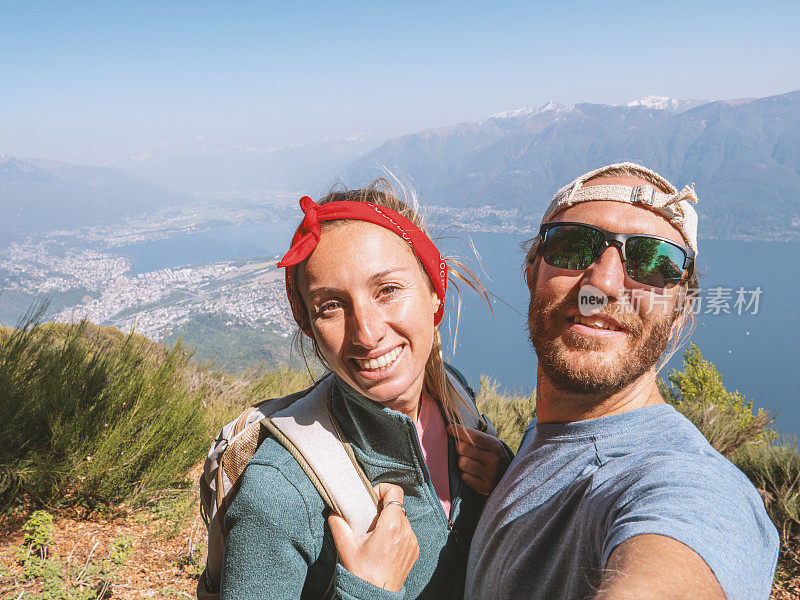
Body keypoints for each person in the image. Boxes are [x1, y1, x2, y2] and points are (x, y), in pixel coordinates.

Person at [466, 163, 779, 600]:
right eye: (573, 246)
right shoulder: (553, 432)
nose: (603, 285)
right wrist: (509, 475)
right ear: (531, 272)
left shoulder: (687, 484)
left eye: (653, 262)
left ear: (679, 314)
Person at [219, 181, 512, 600]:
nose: (367, 333)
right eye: (331, 306)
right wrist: (369, 591)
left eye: (388, 290)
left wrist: (506, 479)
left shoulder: (454, 395)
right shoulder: (281, 490)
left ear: (433, 290)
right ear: (309, 328)